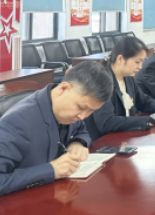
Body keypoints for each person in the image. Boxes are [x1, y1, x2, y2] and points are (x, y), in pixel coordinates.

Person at [0, 62, 113, 196]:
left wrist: (78, 142)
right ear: (63, 89)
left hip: (58, 195)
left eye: (91, 111)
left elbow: (81, 130)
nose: (83, 116)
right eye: (82, 107)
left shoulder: (66, 110)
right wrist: (51, 170)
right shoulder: (17, 123)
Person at [84, 37, 155, 141]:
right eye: (137, 62)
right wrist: (148, 120)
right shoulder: (101, 82)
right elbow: (107, 122)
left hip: (125, 137)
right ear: (120, 59)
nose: (140, 67)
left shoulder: (128, 78)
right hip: (104, 142)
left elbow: (142, 100)